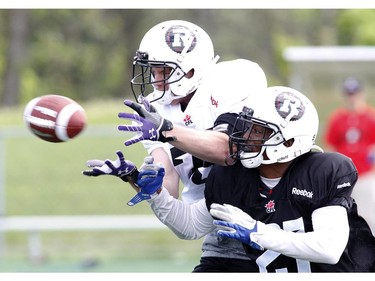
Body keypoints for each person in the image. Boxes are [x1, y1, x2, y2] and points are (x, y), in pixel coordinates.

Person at [126, 86, 375, 272]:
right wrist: (156, 195)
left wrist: (258, 232)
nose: (244, 135)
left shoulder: (323, 171)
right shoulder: (234, 177)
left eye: (258, 130)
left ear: (288, 141)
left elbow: (329, 248)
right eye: (246, 126)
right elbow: (191, 226)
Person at [83, 19, 268, 271]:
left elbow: (227, 151)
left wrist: (166, 130)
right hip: (216, 221)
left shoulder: (230, 81)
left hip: (266, 214)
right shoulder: (153, 108)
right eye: (153, 70)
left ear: (191, 69)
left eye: (165, 71)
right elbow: (167, 184)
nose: (156, 80)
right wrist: (137, 179)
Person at [324, 77, 375, 235]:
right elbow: (330, 146)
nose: (352, 97)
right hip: (343, 178)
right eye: (349, 93)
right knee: (342, 215)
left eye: (355, 93)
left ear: (362, 94)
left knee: (368, 216)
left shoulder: (371, 116)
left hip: (366, 175)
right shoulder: (337, 118)